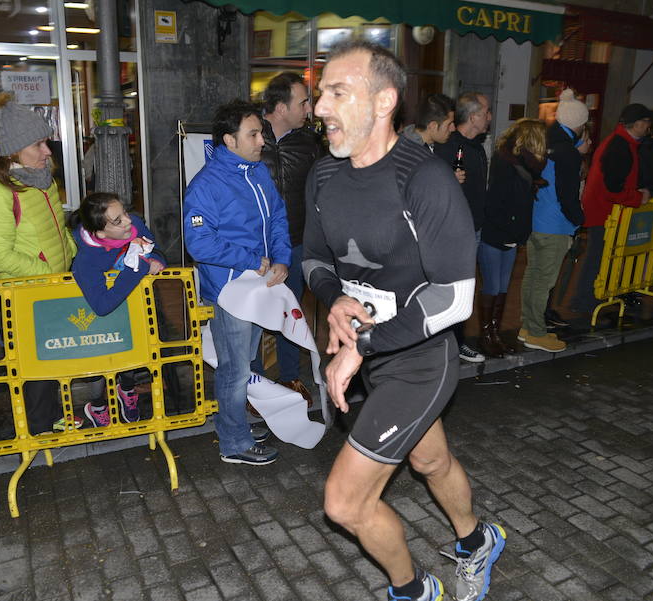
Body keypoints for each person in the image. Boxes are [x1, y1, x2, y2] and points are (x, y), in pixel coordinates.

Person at [305, 40, 505, 601]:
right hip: (370, 349)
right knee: (429, 458)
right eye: (322, 93)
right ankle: (477, 541)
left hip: (420, 356)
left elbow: (455, 299)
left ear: (384, 100)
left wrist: (362, 347)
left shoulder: (425, 180)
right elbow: (315, 256)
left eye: (337, 92)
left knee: (345, 503)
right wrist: (334, 298)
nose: (320, 107)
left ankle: (415, 591)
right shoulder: (324, 176)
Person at [183, 99, 291, 465]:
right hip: (231, 292)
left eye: (260, 132)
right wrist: (252, 261)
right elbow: (199, 243)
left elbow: (277, 216)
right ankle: (233, 442)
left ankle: (236, 422)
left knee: (246, 362)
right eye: (254, 134)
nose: (262, 140)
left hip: (258, 287)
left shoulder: (256, 171)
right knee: (234, 368)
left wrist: (281, 259)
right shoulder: (206, 185)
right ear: (230, 140)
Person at [0, 98, 77, 434]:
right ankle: (37, 429)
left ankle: (54, 416)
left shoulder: (41, 179)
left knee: (54, 356)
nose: (47, 151)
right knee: (34, 365)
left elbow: (57, 228)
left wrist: (71, 251)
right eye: (38, 144)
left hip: (51, 288)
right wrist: (50, 273)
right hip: (22, 295)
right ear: (14, 150)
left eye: (46, 142)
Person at [252, 72, 324, 404]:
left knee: (291, 312)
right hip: (255, 247)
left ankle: (291, 377)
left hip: (295, 242)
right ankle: (252, 384)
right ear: (281, 107)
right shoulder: (249, 137)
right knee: (252, 317)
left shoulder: (309, 143)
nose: (310, 108)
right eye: (303, 101)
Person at [71, 192, 166, 426]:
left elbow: (155, 250)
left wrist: (157, 261)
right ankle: (97, 404)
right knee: (99, 360)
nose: (128, 221)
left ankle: (127, 390)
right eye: (118, 220)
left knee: (131, 349)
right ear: (100, 233)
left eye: (124, 212)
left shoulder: (135, 224)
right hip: (93, 323)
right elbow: (101, 306)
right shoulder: (86, 260)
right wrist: (138, 269)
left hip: (132, 310)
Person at [520, 89, 590, 352]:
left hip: (537, 220)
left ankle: (527, 326)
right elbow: (567, 194)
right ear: (580, 124)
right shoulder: (568, 153)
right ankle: (536, 332)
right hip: (556, 224)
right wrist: (579, 220)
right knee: (544, 281)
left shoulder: (545, 140)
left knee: (532, 275)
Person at [570, 103, 653, 317]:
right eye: (646, 122)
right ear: (637, 123)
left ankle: (589, 299)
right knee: (598, 258)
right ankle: (586, 302)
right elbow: (612, 188)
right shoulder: (620, 145)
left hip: (606, 211)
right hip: (604, 212)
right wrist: (637, 197)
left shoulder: (622, 143)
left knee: (600, 257)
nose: (647, 127)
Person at [480, 118, 547, 357]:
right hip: (496, 234)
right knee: (492, 285)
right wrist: (510, 228)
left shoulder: (525, 166)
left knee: (503, 287)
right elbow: (496, 203)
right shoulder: (506, 163)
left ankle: (495, 334)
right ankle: (487, 336)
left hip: (511, 235)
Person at [434, 92, 492, 363]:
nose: (490, 117)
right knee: (452, 291)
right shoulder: (448, 147)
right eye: (486, 112)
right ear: (473, 117)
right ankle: (448, 346)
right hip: (454, 233)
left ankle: (458, 343)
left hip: (475, 228)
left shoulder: (478, 147)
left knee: (465, 290)